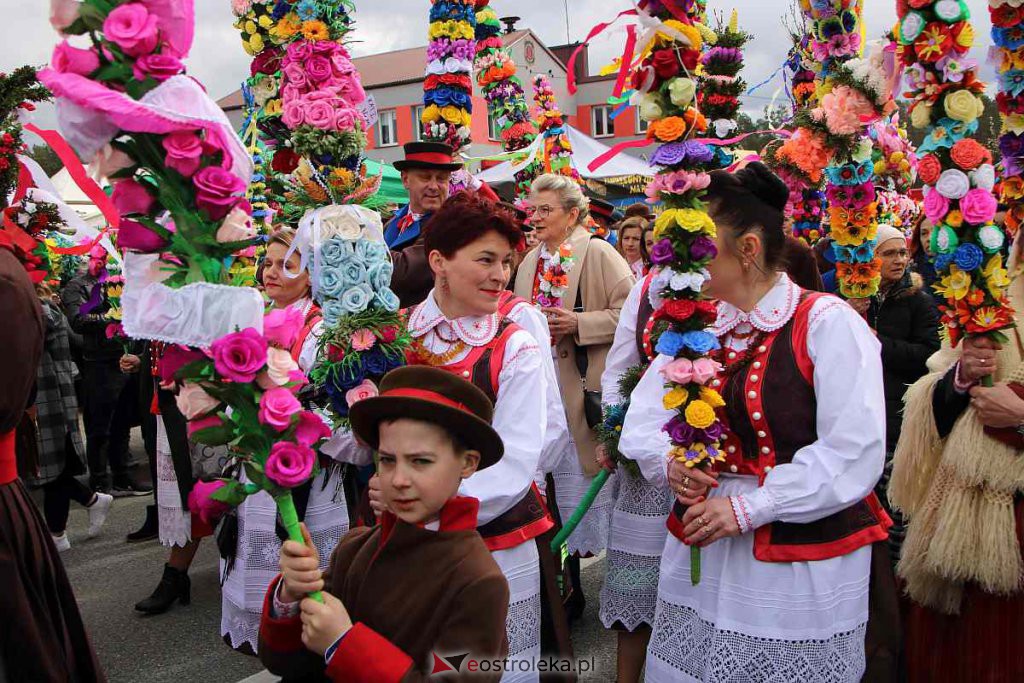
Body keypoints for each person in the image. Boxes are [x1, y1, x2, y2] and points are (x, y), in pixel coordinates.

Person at [619, 163, 890, 682]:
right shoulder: (696, 326)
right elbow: (644, 422)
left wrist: (751, 507)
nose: (682, 265)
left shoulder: (828, 322)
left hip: (796, 551)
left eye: (697, 248)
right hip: (706, 537)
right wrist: (670, 464)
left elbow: (853, 450)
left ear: (746, 249)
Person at [378, 192, 551, 681]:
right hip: (400, 538)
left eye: (506, 262)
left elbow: (516, 460)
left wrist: (424, 507)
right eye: (485, 260)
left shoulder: (513, 343)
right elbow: (362, 437)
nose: (500, 275)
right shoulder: (394, 332)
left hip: (490, 539)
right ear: (438, 261)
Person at [258, 367, 510, 681]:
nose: (399, 480)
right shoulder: (354, 548)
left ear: (468, 462)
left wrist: (344, 644)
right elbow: (289, 665)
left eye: (421, 461)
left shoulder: (477, 582)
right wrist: (292, 596)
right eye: (388, 460)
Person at [890, 233, 1024, 683]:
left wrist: (1021, 417)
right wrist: (962, 378)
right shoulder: (992, 296)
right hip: (961, 525)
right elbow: (932, 398)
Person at [221, 227, 351, 654]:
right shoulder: (253, 317)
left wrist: (289, 413)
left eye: (287, 264)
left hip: (305, 473)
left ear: (312, 274)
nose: (272, 273)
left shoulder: (321, 329)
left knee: (305, 569)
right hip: (260, 464)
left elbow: (337, 413)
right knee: (262, 573)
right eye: (269, 263)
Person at [514, 173, 634, 619]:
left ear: (572, 214)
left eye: (546, 209)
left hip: (583, 394)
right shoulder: (528, 262)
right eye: (533, 209)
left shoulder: (598, 251)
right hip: (543, 396)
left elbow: (630, 312)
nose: (537, 217)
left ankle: (588, 587)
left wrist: (581, 324)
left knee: (585, 498)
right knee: (549, 498)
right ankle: (563, 588)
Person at [0, 243, 105, 681]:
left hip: (53, 392)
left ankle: (77, 509)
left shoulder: (11, 287)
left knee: (60, 461)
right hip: (49, 392)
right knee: (58, 465)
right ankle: (87, 502)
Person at [596, 269, 672, 682]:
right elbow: (618, 369)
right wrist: (613, 427)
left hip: (712, 462)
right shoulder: (647, 288)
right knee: (636, 582)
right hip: (645, 459)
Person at [848, 225, 940, 563]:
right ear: (871, 258)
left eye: (902, 252)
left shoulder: (919, 302)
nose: (899, 259)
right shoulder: (859, 298)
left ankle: (895, 570)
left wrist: (877, 342)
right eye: (889, 253)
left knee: (895, 503)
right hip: (861, 413)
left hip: (898, 417)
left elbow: (928, 355)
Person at [25, 287, 113, 550]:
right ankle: (89, 504)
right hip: (46, 399)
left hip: (48, 400)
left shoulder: (39, 312)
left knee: (52, 467)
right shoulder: (39, 310)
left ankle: (57, 534)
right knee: (52, 467)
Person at [61, 249, 148, 494]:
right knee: (100, 426)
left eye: (103, 257)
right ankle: (100, 481)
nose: (100, 262)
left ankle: (122, 476)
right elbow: (77, 321)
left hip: (122, 357)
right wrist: (111, 318)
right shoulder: (75, 287)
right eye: (94, 257)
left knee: (121, 423)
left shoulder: (115, 281)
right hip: (98, 363)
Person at [385, 141, 463, 308]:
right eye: (425, 177)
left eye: (441, 179)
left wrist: (359, 241)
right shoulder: (393, 222)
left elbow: (402, 272)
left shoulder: (448, 226)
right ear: (405, 179)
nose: (434, 186)